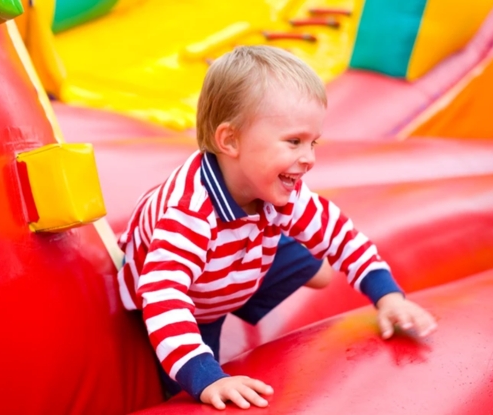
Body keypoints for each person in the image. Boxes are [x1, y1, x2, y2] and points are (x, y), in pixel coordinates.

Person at [117, 45, 437, 410]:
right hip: (198, 294)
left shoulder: (279, 188)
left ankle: (275, 261)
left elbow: (341, 235)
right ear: (231, 140)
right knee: (184, 390)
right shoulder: (188, 216)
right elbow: (164, 300)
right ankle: (249, 277)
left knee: (322, 270)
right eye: (294, 142)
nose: (310, 158)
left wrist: (388, 296)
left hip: (244, 247)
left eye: (313, 142)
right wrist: (207, 377)